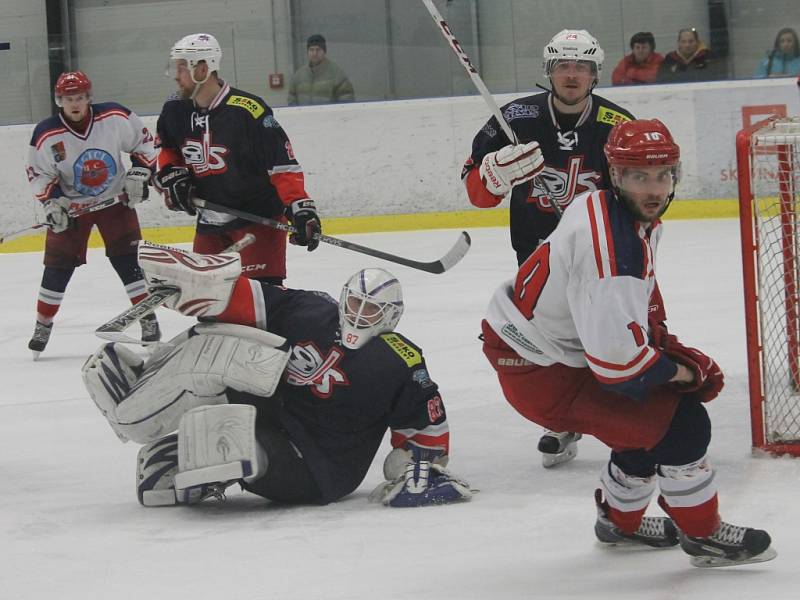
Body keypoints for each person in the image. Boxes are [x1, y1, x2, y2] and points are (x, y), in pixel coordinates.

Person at [480, 118, 776, 567]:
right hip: (542, 372)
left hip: (541, 348)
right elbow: (618, 367)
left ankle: (622, 523)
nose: (654, 188)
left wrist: (663, 348)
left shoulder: (597, 202)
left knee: (643, 416)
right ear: (616, 175)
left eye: (663, 175)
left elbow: (628, 311)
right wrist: (685, 371)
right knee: (683, 426)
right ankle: (703, 535)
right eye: (640, 176)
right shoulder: (614, 251)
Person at [81, 242, 472, 508]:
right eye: (354, 302)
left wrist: (416, 468)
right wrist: (198, 285)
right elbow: (247, 302)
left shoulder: (400, 361)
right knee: (218, 342)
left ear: (391, 316)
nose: (358, 314)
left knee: (231, 438)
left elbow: (427, 432)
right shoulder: (313, 310)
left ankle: (193, 462)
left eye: (371, 311)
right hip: (278, 414)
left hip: (319, 468)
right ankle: (139, 401)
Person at [462, 29, 634, 467]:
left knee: (614, 332)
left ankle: (631, 414)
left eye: (581, 67)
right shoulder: (514, 119)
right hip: (536, 255)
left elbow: (644, 197)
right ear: (549, 72)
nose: (571, 75)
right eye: (563, 66)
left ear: (595, 74)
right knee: (551, 339)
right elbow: (476, 193)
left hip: (601, 256)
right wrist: (494, 177)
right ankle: (562, 418)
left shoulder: (618, 126)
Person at [155, 33, 321, 285]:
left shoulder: (248, 110)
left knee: (264, 300)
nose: (175, 75)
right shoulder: (174, 109)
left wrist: (299, 205)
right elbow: (167, 149)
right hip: (210, 221)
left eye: (181, 68)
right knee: (207, 303)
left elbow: (281, 164)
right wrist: (171, 173)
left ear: (202, 68)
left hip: (258, 219)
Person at [25, 71, 160, 359]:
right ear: (59, 101)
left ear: (89, 98)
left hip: (115, 200)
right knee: (58, 267)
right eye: (68, 99)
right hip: (72, 208)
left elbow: (145, 144)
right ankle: (43, 324)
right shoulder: (47, 133)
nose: (75, 104)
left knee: (128, 262)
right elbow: (39, 173)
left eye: (80, 98)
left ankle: (148, 319)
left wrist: (138, 173)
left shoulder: (114, 116)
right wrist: (53, 202)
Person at [287, 34, 355, 106]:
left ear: (324, 51)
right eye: (311, 50)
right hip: (305, 116)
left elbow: (346, 98)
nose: (314, 53)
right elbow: (292, 98)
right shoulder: (298, 75)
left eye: (318, 49)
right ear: (307, 52)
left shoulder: (336, 73)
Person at [657, 28, 725, 83]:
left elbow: (716, 78)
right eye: (683, 42)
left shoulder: (707, 57)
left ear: (697, 42)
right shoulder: (670, 59)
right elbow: (662, 80)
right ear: (678, 43)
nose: (687, 45)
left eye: (691, 41)